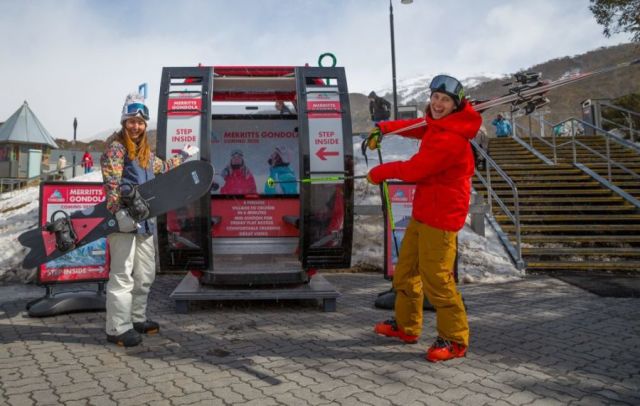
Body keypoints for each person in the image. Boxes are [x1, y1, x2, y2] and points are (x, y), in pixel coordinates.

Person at [365, 74, 481, 363]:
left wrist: (381, 172)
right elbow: (414, 126)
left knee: (437, 280)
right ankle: (406, 327)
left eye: (445, 100)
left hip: (441, 219)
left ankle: (454, 340)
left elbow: (417, 169)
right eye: (435, 97)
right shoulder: (436, 126)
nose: (438, 103)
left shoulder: (453, 139)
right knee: (405, 273)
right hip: (423, 213)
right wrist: (384, 128)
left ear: (456, 105)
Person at [100, 92, 198, 347]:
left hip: (144, 221)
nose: (136, 126)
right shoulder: (116, 147)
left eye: (141, 122)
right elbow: (112, 183)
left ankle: (136, 318)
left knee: (145, 274)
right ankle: (117, 327)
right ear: (124, 122)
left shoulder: (144, 153)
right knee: (122, 275)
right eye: (132, 120)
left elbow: (162, 169)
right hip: (123, 221)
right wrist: (117, 211)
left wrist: (184, 156)